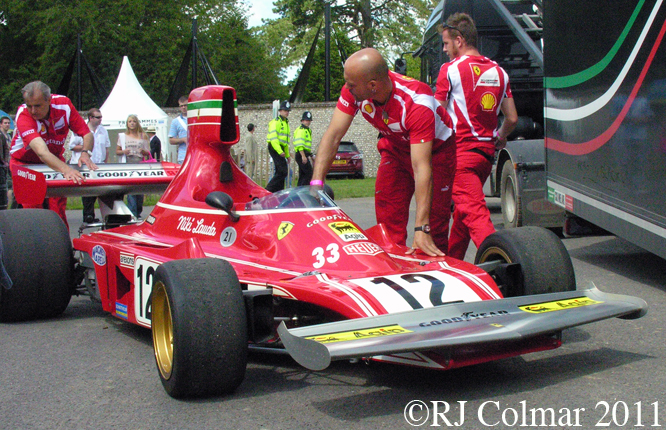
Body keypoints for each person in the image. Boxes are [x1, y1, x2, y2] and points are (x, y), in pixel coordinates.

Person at [311, 48, 456, 257]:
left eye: (351, 85)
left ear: (372, 86)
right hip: (396, 147)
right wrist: (317, 185)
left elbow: (421, 166)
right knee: (388, 219)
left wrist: (421, 228)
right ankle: (393, 266)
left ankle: (436, 270)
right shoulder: (353, 91)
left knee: (433, 226)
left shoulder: (417, 102)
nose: (347, 88)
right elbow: (333, 135)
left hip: (436, 152)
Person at [434, 13, 518, 260]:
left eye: (446, 44)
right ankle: (453, 264)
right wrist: (500, 137)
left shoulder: (450, 70)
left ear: (459, 40)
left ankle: (506, 265)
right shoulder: (500, 72)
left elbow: (436, 113)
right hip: (485, 157)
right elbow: (511, 118)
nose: (444, 49)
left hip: (459, 157)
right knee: (462, 217)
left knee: (476, 217)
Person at [10, 81, 97, 228]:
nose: (32, 111)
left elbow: (87, 134)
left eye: (37, 106)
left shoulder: (64, 106)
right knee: (33, 208)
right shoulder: (23, 115)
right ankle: (36, 244)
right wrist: (67, 169)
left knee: (57, 208)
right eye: (29, 105)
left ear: (49, 100)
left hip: (55, 160)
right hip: (25, 163)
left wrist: (85, 153)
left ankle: (62, 245)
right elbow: (42, 152)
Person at [116, 114, 150, 219]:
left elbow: (148, 152)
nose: (132, 123)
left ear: (137, 123)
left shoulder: (142, 135)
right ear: (127, 123)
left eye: (134, 121)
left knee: (139, 190)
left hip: (139, 164)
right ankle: (133, 213)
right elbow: (117, 151)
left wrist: (143, 151)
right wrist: (123, 151)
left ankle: (138, 211)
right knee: (131, 190)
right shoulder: (122, 136)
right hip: (128, 164)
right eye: (130, 121)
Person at [80, 108, 110, 223]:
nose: (100, 119)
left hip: (100, 164)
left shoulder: (103, 130)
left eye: (101, 117)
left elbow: (107, 148)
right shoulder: (82, 129)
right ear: (91, 118)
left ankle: (106, 215)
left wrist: (106, 163)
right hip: (87, 164)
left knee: (102, 191)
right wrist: (86, 148)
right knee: (88, 192)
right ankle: (88, 215)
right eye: (98, 117)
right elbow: (72, 146)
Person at [265, 100, 291, 192]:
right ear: (280, 111)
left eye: (288, 111)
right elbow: (273, 138)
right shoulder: (275, 122)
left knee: (281, 171)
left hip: (281, 148)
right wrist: (280, 151)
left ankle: (278, 191)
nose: (287, 112)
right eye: (285, 110)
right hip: (274, 147)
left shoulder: (286, 123)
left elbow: (285, 142)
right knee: (282, 171)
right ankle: (268, 189)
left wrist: (287, 155)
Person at [294, 111, 314, 186]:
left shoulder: (307, 130)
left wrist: (311, 155)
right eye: (306, 120)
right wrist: (303, 156)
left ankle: (299, 190)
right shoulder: (301, 130)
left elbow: (307, 146)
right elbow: (300, 144)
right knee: (308, 173)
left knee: (303, 174)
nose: (308, 122)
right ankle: (303, 189)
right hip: (301, 154)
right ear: (302, 121)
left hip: (305, 154)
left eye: (309, 120)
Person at [169, 96, 188, 164]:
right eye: (181, 106)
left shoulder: (196, 119)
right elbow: (171, 140)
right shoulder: (175, 121)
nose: (183, 107)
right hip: (183, 156)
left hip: (196, 154)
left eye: (185, 105)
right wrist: (182, 140)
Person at [0, 116, 11, 209]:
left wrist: (6, 162)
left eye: (8, 123)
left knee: (7, 187)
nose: (7, 125)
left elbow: (7, 149)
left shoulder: (6, 136)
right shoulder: (1, 135)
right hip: (3, 165)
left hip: (5, 165)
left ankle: (6, 206)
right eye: (5, 123)